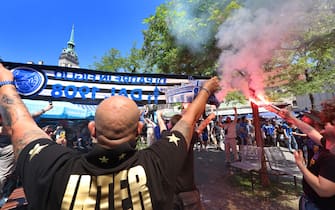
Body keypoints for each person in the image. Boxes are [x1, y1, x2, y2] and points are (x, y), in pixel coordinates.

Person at [0, 63, 220, 209]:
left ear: (92, 129)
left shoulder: (53, 168)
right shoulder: (158, 163)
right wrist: (206, 89)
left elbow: (20, 125)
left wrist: (6, 83)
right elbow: (188, 121)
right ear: (139, 130)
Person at [266, 103, 335, 210]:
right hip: (310, 200)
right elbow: (309, 131)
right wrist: (290, 118)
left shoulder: (332, 157)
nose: (324, 123)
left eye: (330, 122)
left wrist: (301, 165)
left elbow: (324, 191)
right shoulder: (327, 144)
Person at [0, 102, 53, 207]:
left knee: (6, 174)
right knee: (3, 175)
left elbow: (29, 116)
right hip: (6, 149)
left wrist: (45, 110)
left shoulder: (12, 118)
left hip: (8, 149)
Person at [156, 110, 204, 210]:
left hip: (173, 194)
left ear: (171, 126)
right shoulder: (191, 137)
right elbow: (200, 128)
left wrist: (159, 115)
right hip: (189, 191)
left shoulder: (168, 138)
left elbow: (162, 127)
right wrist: (209, 117)